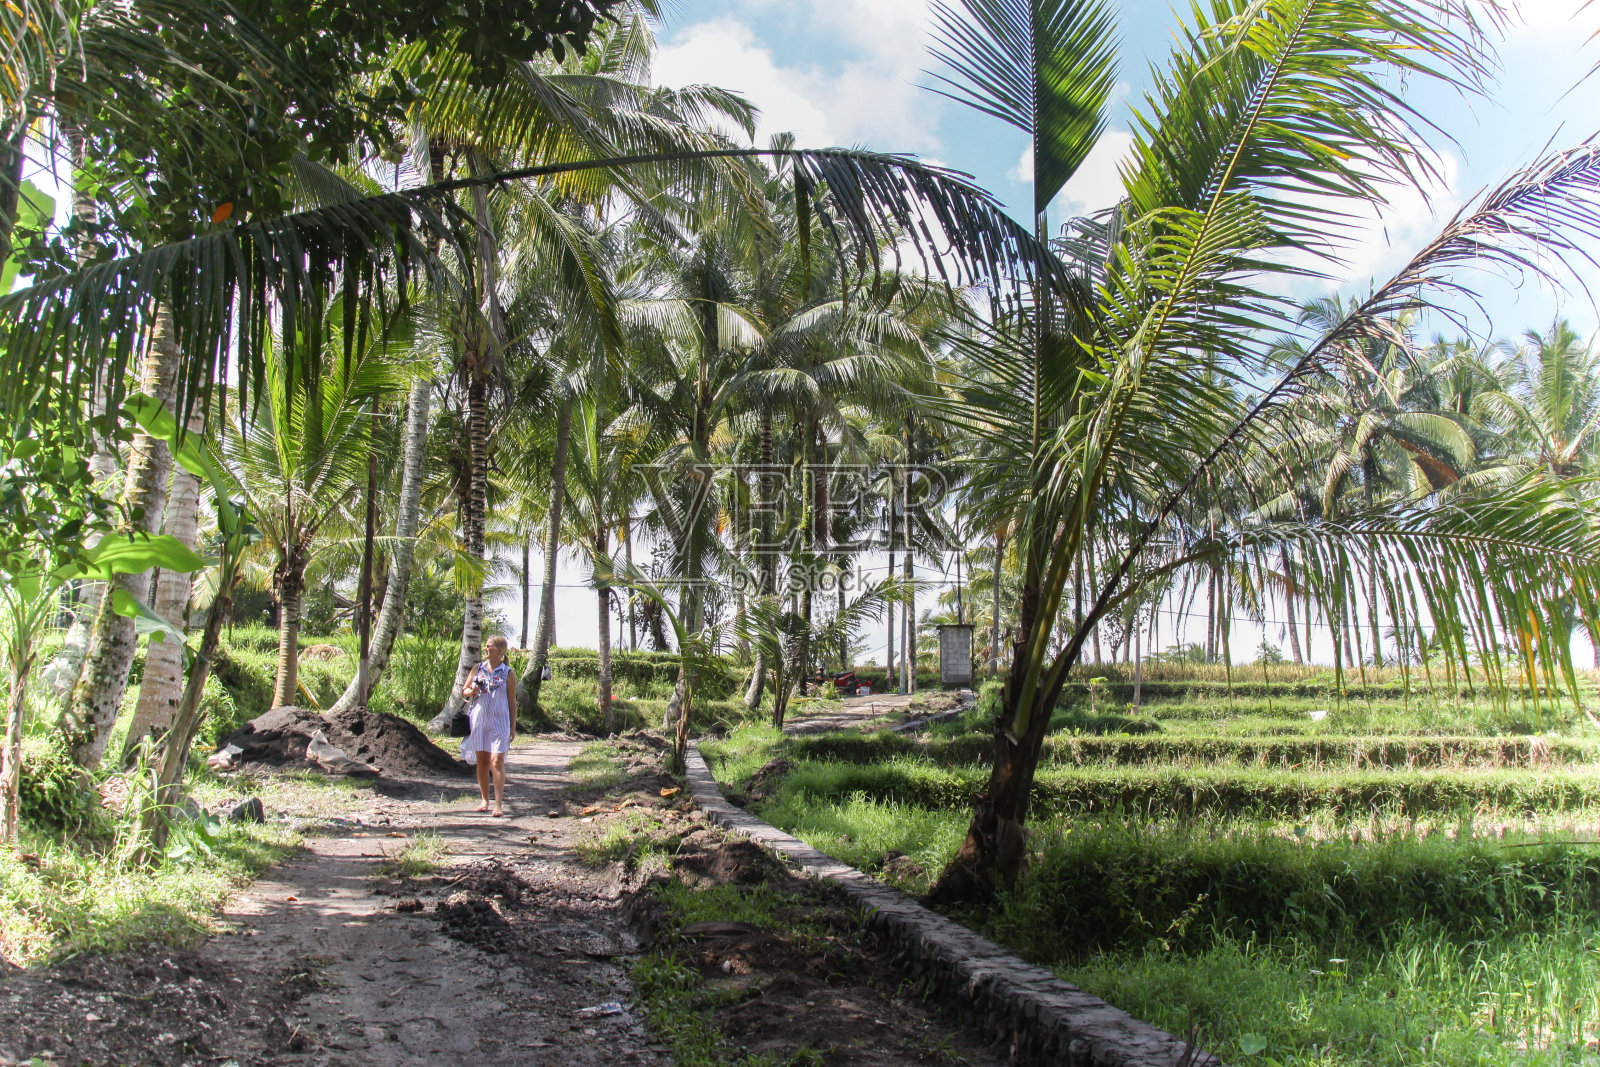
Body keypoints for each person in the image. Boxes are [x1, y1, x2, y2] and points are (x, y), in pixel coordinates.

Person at [461, 635, 517, 816]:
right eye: (485, 646)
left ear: (499, 651)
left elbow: (512, 702)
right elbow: (465, 690)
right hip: (480, 719)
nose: (485, 649)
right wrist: (472, 690)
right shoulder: (478, 668)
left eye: (489, 646)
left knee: (497, 761)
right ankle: (484, 799)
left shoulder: (508, 673)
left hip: (500, 721)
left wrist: (513, 726)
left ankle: (498, 804)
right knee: (483, 762)